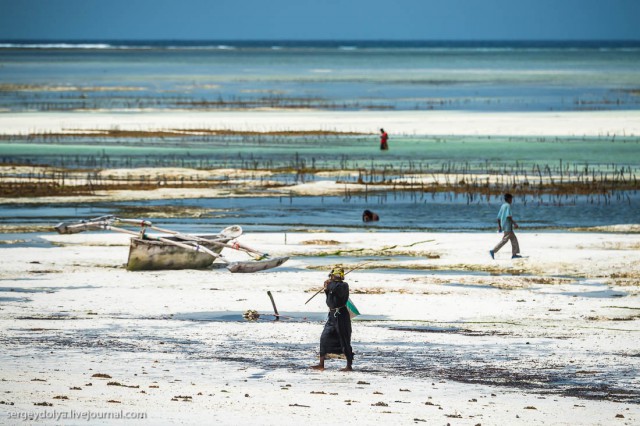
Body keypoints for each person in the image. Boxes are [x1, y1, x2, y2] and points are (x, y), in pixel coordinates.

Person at [310, 266, 354, 371]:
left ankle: (349, 366)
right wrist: (326, 289)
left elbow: (335, 288)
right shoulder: (332, 285)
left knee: (344, 340)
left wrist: (328, 285)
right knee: (324, 338)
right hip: (332, 315)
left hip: (341, 316)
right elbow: (330, 298)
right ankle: (321, 364)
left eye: (333, 275)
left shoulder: (343, 286)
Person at [490, 193, 522, 259]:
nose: (512, 200)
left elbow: (498, 217)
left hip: (504, 226)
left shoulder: (503, 206)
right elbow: (509, 216)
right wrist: (514, 223)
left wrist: (499, 226)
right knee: (505, 240)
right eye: (511, 199)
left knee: (514, 239)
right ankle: (493, 250)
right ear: (509, 199)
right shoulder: (508, 206)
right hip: (508, 227)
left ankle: (514, 254)